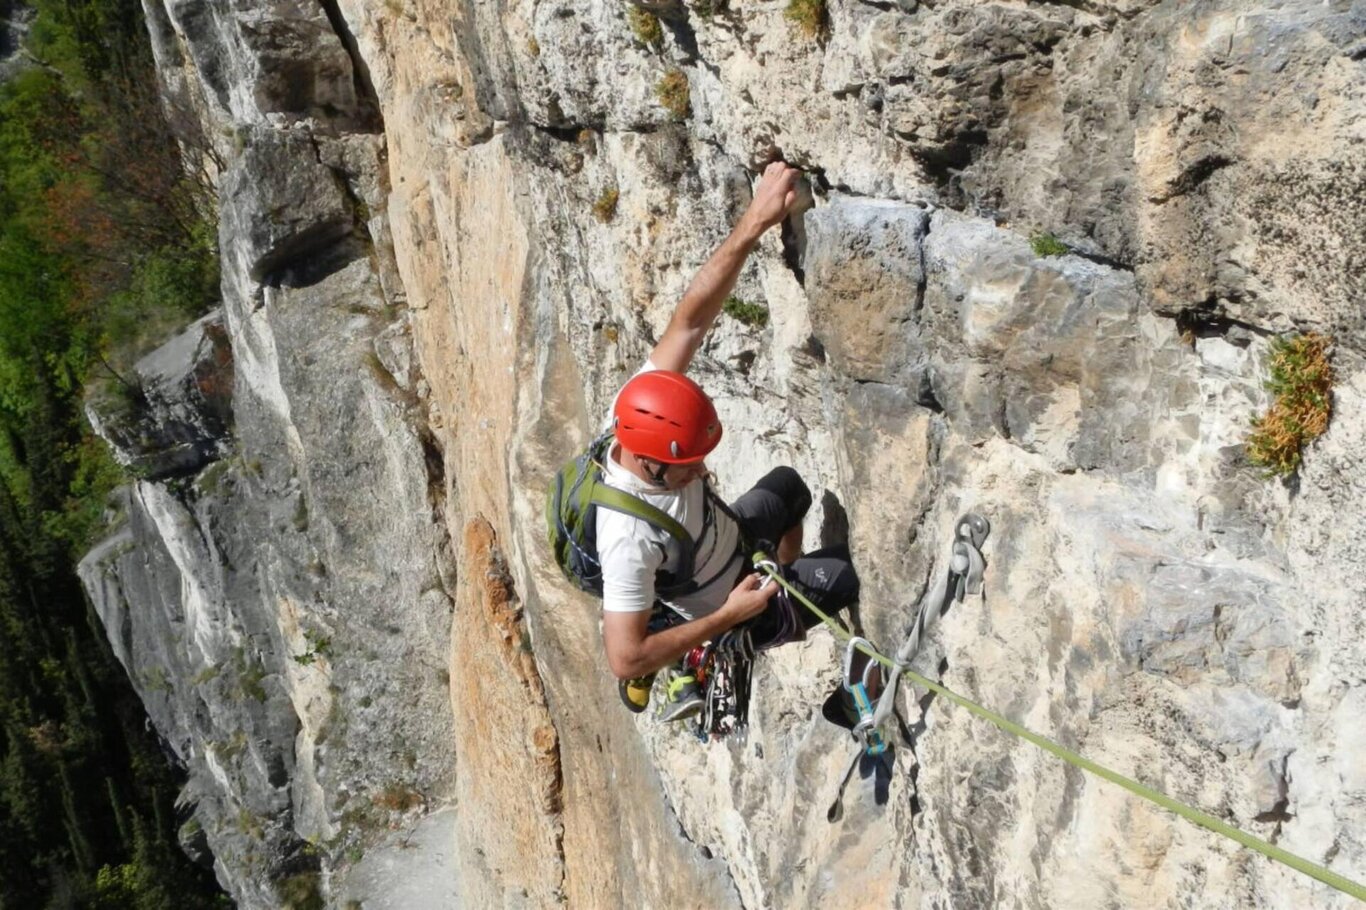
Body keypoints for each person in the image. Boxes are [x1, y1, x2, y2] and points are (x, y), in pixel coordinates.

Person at [596, 161, 863, 721]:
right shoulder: (627, 537)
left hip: (730, 545)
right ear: (650, 464)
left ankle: (784, 581)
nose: (701, 472)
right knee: (847, 574)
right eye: (689, 466)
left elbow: (690, 321)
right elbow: (623, 658)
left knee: (790, 488)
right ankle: (736, 637)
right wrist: (730, 615)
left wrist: (754, 222)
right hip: (728, 605)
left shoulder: (639, 405)